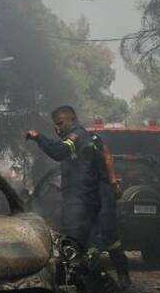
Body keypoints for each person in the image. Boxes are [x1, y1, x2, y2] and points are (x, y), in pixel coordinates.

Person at [26, 105, 103, 248]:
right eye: (55, 124)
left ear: (73, 119)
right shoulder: (82, 136)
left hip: (81, 201)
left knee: (74, 244)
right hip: (84, 199)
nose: (58, 128)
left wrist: (38, 137)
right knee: (83, 246)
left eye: (60, 123)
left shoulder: (76, 136)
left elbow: (59, 151)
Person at [92, 141, 132, 290]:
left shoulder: (89, 138)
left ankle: (122, 274)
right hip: (85, 194)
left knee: (109, 234)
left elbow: (107, 155)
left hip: (102, 192)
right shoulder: (66, 145)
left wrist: (113, 182)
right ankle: (97, 280)